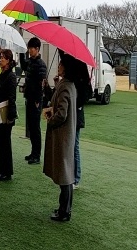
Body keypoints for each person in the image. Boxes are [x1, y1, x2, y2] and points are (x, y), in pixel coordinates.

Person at [43, 54, 77, 221]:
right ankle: (65, 209)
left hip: (62, 135)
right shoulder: (68, 85)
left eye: (61, 64)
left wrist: (50, 119)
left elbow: (61, 114)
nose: (58, 66)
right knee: (67, 174)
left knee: (64, 175)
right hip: (67, 135)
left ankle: (64, 211)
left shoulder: (65, 86)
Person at [0, 49, 18, 181]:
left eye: (2, 58)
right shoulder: (2, 74)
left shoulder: (11, 76)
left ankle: (7, 171)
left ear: (8, 60)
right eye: (0, 57)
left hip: (6, 113)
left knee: (5, 142)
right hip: (0, 111)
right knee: (1, 142)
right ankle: (2, 169)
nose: (0, 59)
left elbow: (12, 97)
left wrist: (11, 116)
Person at [20, 37, 47, 164]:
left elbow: (41, 84)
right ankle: (33, 152)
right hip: (29, 97)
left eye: (31, 48)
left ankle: (37, 154)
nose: (30, 51)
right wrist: (21, 51)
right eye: (29, 48)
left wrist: (37, 99)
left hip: (36, 99)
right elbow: (23, 65)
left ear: (37, 49)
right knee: (31, 126)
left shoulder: (41, 64)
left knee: (35, 127)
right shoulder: (30, 61)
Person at [72, 59, 92, 189]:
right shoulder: (77, 78)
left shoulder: (81, 79)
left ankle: (76, 178)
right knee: (72, 147)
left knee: (74, 147)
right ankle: (72, 176)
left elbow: (86, 96)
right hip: (73, 114)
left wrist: (77, 104)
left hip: (76, 115)